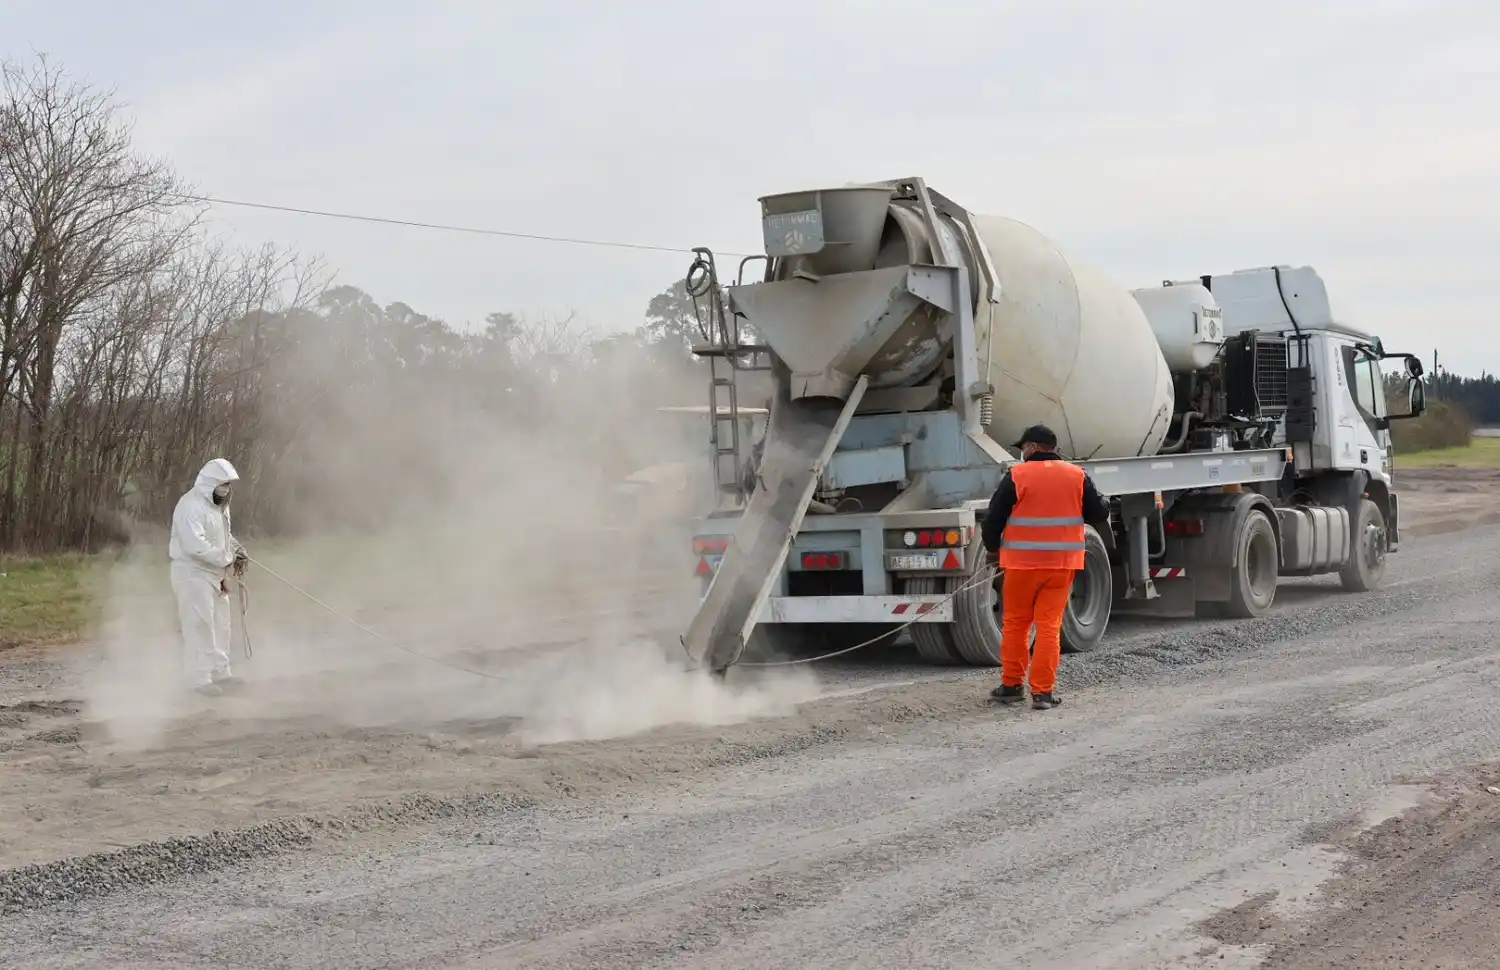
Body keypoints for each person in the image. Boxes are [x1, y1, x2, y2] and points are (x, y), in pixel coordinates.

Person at [980, 425, 1110, 710]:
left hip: (1022, 565)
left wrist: (992, 549)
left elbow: (993, 520)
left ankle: (1012, 686)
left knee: (1015, 625)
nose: (1021, 453)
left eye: (1023, 447)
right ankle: (1043, 693)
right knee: (1049, 627)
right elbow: (1099, 513)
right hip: (1061, 565)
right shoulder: (1077, 475)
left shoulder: (1017, 476)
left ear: (1035, 447)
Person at [168, 458, 249, 697]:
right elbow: (196, 546)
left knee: (221, 624)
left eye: (228, 485)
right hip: (192, 574)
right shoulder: (189, 506)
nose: (227, 489)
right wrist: (227, 558)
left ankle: (220, 672)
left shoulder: (220, 508)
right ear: (209, 484)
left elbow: (224, 536)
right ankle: (198, 678)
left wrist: (237, 550)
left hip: (215, 573)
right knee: (199, 624)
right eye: (223, 484)